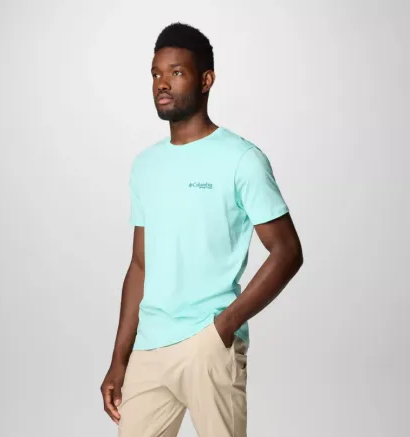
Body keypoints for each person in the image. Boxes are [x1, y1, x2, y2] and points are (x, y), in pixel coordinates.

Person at [100, 22, 303, 437]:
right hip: (150, 348)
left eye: (176, 72)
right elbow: (140, 265)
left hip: (209, 344)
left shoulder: (241, 159)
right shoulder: (146, 165)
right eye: (156, 73)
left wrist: (224, 326)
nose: (162, 83)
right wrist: (119, 359)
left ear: (206, 80)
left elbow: (287, 252)